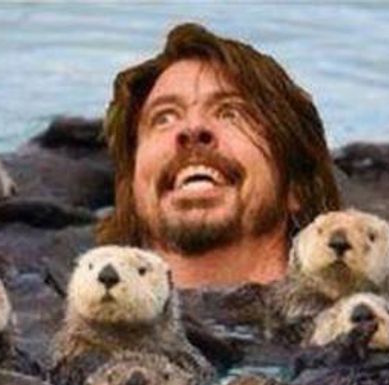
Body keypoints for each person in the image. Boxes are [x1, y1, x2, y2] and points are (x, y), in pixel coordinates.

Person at [96, 22, 341, 287]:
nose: (192, 128)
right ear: (131, 190)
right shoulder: (63, 287)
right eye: (164, 117)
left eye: (230, 114)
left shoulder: (360, 307)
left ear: (296, 184)